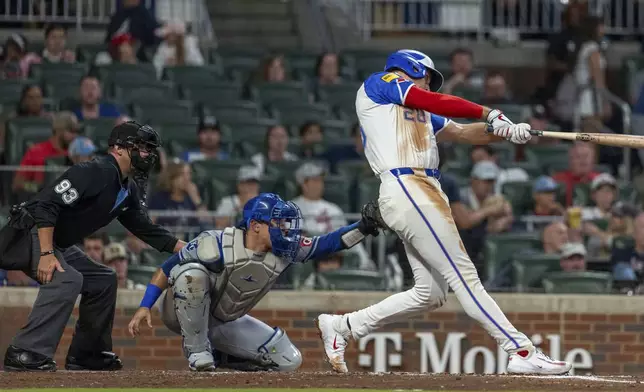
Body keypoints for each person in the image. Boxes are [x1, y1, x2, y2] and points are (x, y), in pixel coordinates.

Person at [314, 49, 572, 375]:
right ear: (411, 68)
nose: (429, 86)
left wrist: (507, 130)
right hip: (407, 186)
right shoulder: (381, 83)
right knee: (465, 276)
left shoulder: (419, 111)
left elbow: (463, 132)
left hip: (423, 191)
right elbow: (438, 102)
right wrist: (489, 112)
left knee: (431, 294)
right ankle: (520, 349)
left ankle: (344, 326)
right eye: (426, 77)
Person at [0, 121, 186, 372]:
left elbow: (143, 228)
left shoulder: (126, 186)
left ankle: (88, 354)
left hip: (57, 241)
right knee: (67, 280)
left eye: (149, 150)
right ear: (119, 148)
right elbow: (45, 205)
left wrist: (187, 248)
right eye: (142, 148)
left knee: (103, 279)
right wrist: (46, 254)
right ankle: (25, 351)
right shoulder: (96, 170)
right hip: (30, 232)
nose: (147, 154)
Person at [126, 193, 382, 371]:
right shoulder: (216, 242)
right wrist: (144, 306)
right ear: (256, 225)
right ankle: (197, 351)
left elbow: (327, 243)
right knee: (190, 273)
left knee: (287, 360)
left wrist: (364, 226)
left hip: (224, 320)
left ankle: (220, 355)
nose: (286, 230)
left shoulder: (286, 250)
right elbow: (165, 268)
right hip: (178, 311)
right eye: (278, 223)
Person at [13, 111, 79, 194]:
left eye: (76, 132)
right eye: (71, 131)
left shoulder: (76, 154)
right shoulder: (36, 151)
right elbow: (17, 184)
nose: (75, 136)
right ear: (58, 130)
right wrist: (37, 188)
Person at [148, 160, 208, 238]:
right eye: (182, 174)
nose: (187, 178)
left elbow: (206, 223)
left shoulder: (192, 197)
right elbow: (149, 224)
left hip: (189, 242)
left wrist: (196, 199)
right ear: (171, 177)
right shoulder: (159, 198)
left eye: (188, 174)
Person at [552, 142, 600, 206]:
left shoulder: (600, 180)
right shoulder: (557, 180)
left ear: (593, 160)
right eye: (578, 156)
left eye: (586, 156)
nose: (583, 160)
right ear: (571, 160)